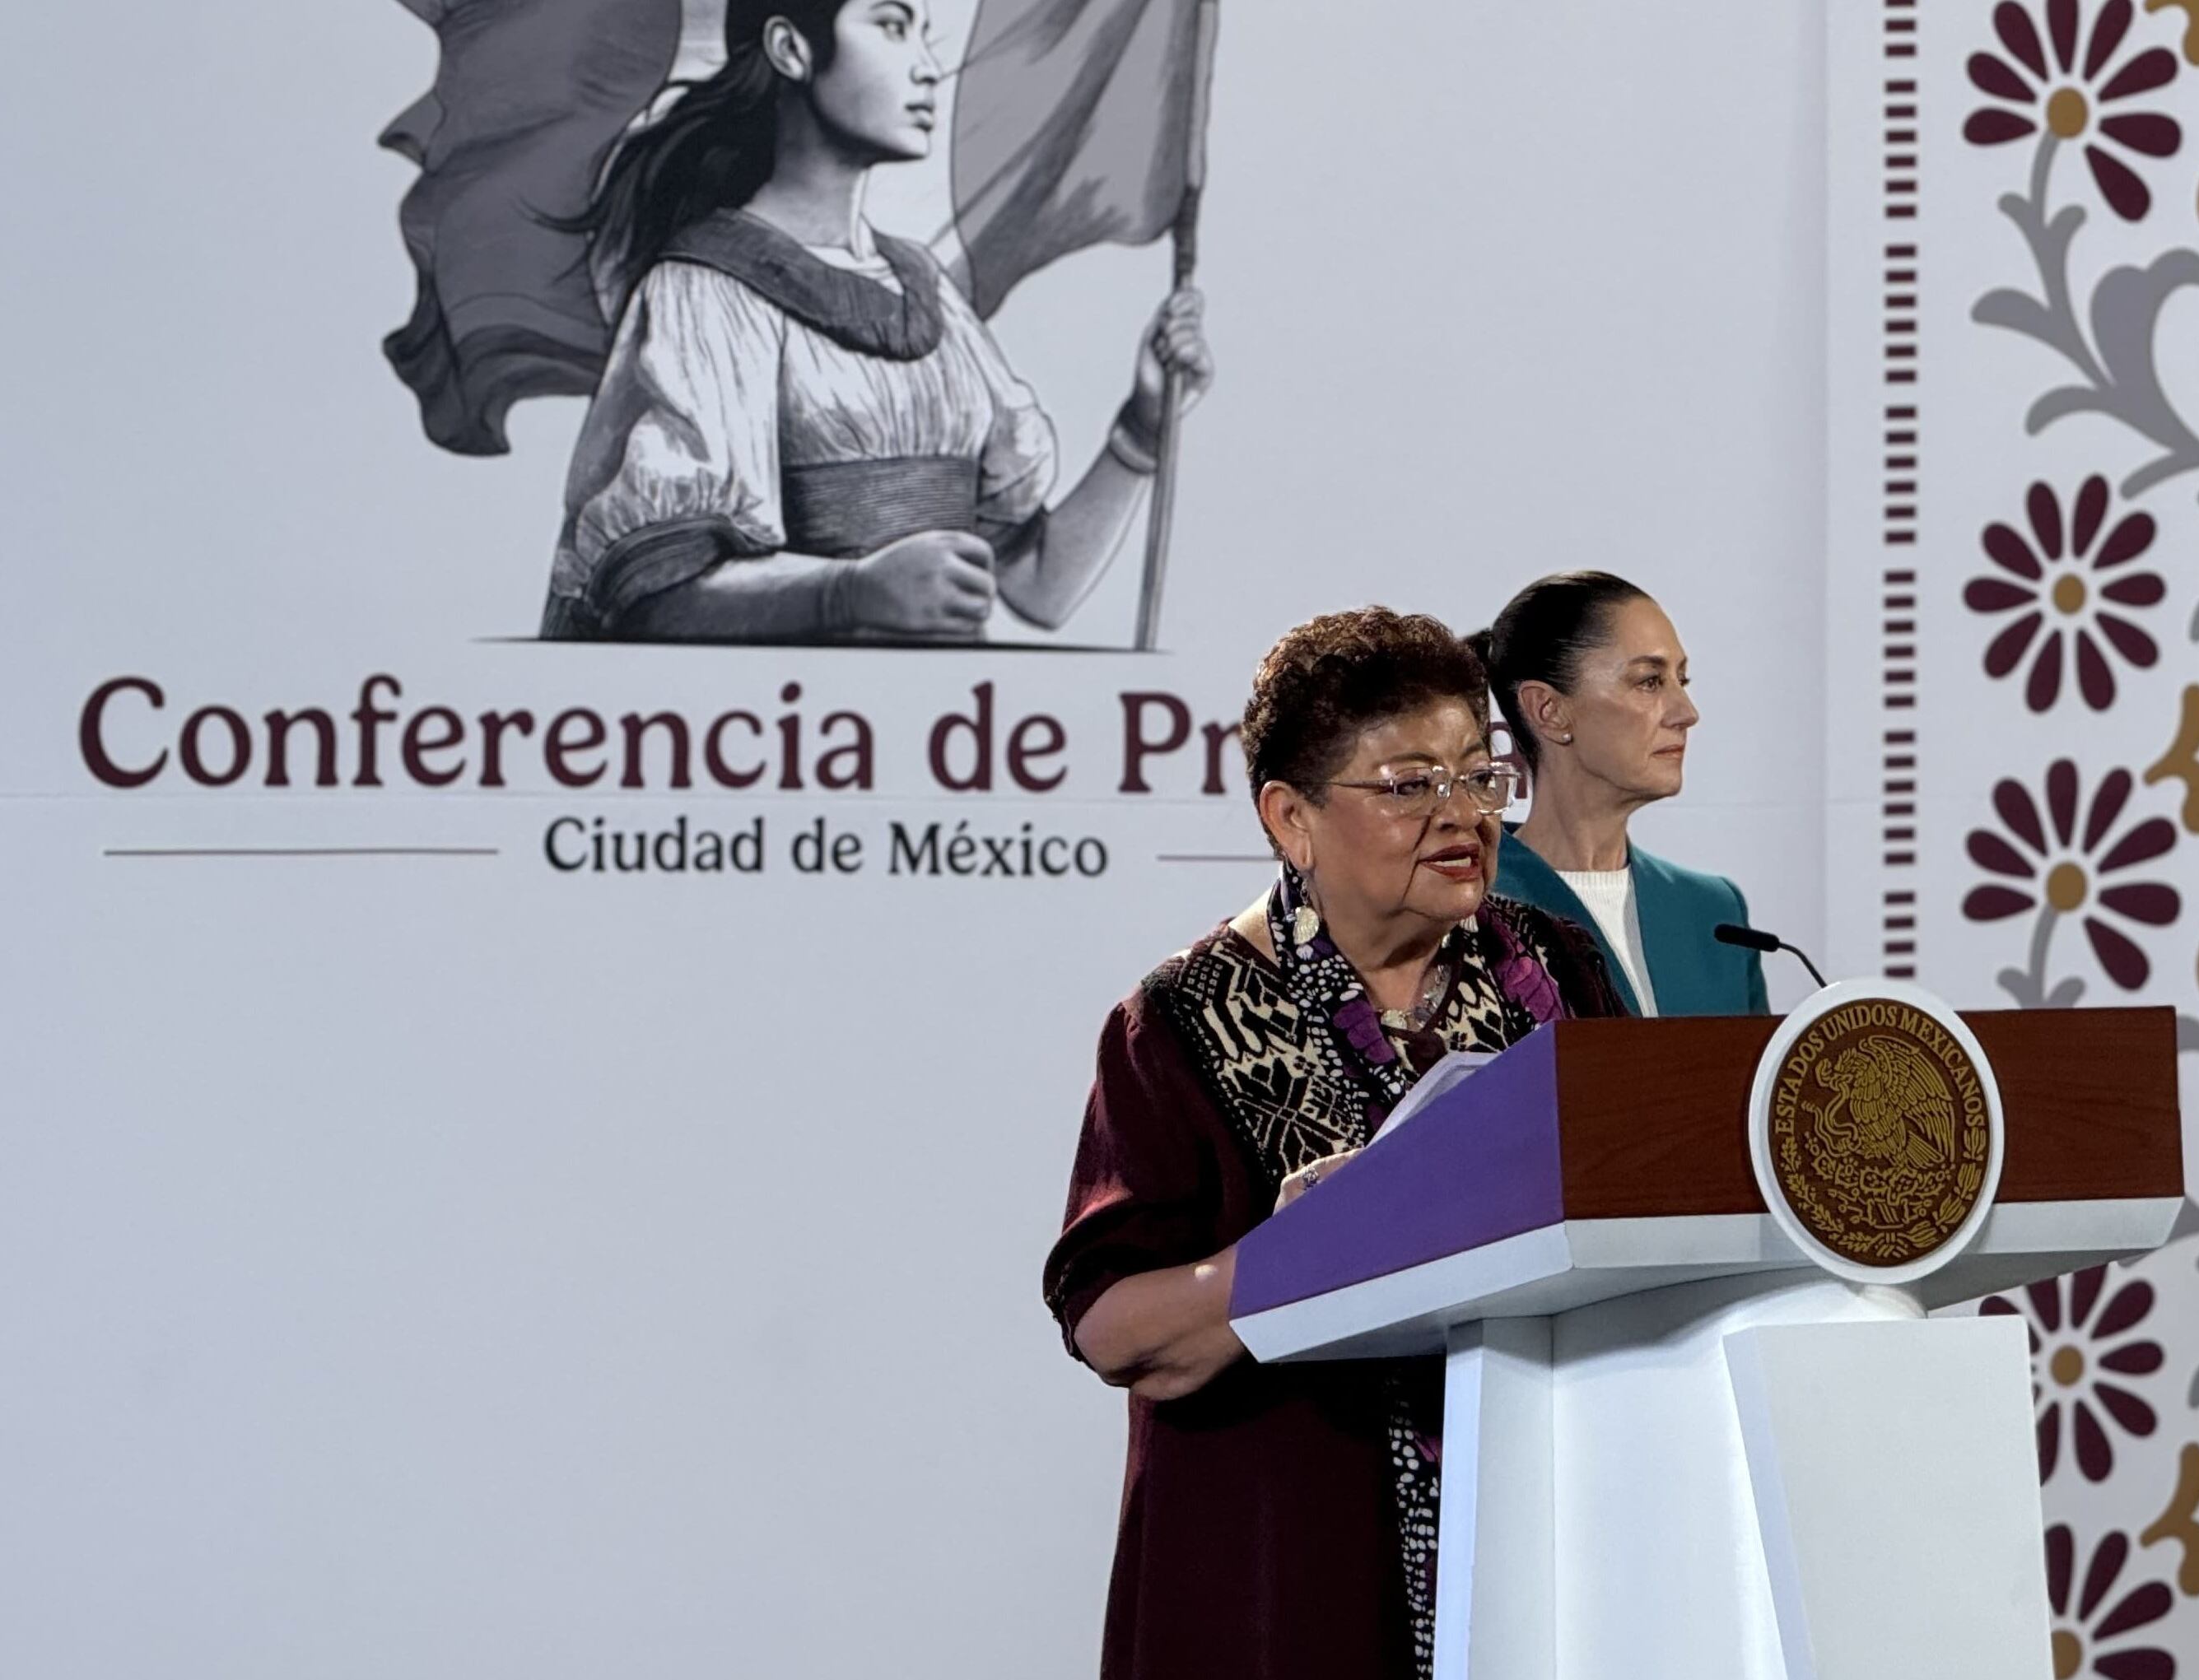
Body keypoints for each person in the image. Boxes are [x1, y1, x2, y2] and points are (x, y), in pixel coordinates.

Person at [1044, 609, 1625, 1680]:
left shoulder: (1555, 970)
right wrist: (1287, 1258)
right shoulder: (1185, 1019)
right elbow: (1108, 1322)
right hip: (1288, 1582)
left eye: (1478, 776)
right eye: (1409, 785)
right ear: (1290, 817)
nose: (1461, 816)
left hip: (1546, 1549)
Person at [539, 0, 1214, 641]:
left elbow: (1040, 586)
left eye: (925, 33)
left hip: (950, 739)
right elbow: (652, 599)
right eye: (892, 27)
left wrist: (1143, 426)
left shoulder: (931, 298)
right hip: (787, 740)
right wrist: (850, 592)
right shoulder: (706, 292)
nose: (926, 66)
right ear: (791, 48)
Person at [1469, 571, 1772, 1016]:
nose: (1687, 714)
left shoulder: (1714, 910)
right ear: (1548, 711)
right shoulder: (1468, 905)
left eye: (1681, 682)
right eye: (1649, 681)